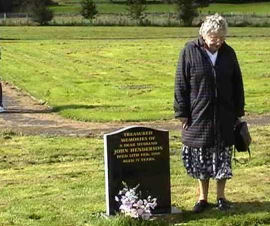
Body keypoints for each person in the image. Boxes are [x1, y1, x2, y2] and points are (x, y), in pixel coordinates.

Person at [174, 14, 245, 213]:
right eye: (214, 36)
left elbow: (237, 83)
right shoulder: (189, 51)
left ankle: (221, 197)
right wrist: (182, 112)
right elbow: (181, 83)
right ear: (204, 34)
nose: (218, 41)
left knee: (222, 158)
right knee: (201, 158)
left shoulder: (229, 53)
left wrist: (239, 112)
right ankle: (202, 198)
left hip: (224, 115)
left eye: (222, 37)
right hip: (199, 115)